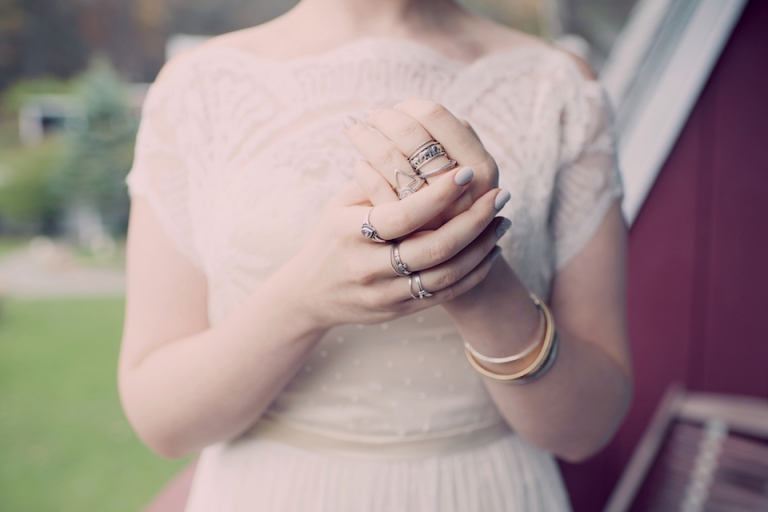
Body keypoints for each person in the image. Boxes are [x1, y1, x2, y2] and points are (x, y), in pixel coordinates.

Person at [118, 0, 633, 509]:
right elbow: (163, 422)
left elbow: (585, 428)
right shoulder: (199, 87)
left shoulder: (556, 85)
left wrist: (470, 268)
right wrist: (302, 301)